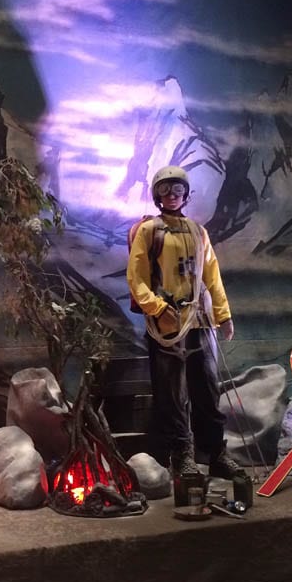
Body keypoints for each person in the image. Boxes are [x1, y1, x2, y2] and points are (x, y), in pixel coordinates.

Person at [126, 165, 244, 480]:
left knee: (207, 390)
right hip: (167, 325)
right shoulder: (149, 231)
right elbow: (136, 277)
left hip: (200, 322)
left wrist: (223, 314)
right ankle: (182, 456)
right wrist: (156, 307)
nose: (172, 196)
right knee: (173, 395)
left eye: (177, 189)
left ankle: (216, 454)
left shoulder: (198, 232)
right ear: (156, 195)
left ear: (186, 194)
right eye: (165, 190)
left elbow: (212, 275)